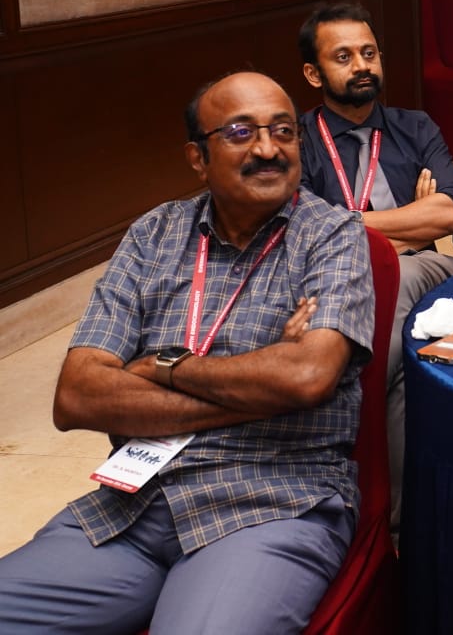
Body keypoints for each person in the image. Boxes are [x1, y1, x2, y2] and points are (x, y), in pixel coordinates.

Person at [0, 72, 372, 632]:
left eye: (283, 131)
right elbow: (77, 395)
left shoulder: (332, 235)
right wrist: (261, 389)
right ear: (198, 158)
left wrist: (165, 367)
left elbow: (306, 377)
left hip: (271, 499)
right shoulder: (153, 235)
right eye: (241, 132)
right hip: (134, 505)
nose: (268, 149)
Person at [296, 2, 453, 530]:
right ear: (314, 74)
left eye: (369, 53)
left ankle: (351, 415)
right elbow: (302, 235)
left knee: (400, 279)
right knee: (403, 380)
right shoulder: (298, 141)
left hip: (420, 265)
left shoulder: (414, 127)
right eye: (344, 57)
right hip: (332, 280)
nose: (362, 66)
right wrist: (404, 216)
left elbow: (451, 213)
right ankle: (398, 522)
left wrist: (344, 222)